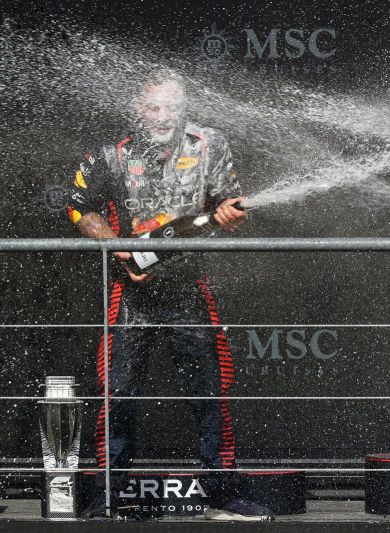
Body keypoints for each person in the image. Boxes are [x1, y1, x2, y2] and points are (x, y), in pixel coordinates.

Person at [64, 67, 272, 521]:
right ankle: (107, 496)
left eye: (173, 107)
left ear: (185, 108)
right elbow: (80, 206)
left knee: (210, 391)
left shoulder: (209, 144)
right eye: (154, 106)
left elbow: (227, 202)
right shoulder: (111, 154)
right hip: (130, 292)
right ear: (138, 109)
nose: (163, 115)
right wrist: (116, 248)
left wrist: (230, 214)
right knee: (115, 394)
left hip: (189, 287)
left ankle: (221, 495)